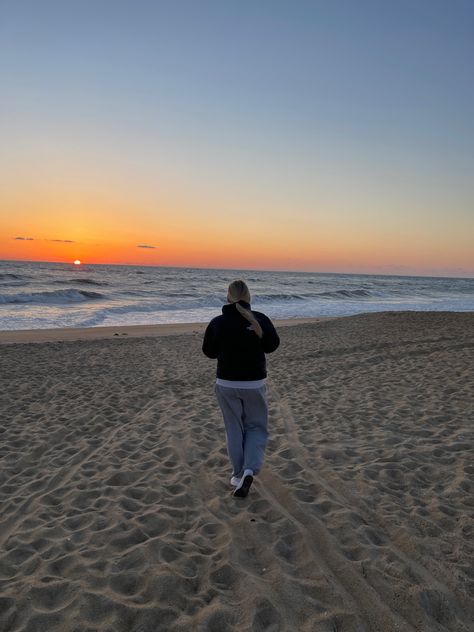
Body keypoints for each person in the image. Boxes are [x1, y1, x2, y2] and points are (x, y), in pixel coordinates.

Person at [202, 280, 280, 497]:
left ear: (228, 297)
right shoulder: (260, 319)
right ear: (248, 297)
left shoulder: (218, 322)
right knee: (256, 427)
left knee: (234, 428)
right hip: (254, 383)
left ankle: (237, 475)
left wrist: (227, 350)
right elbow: (272, 346)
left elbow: (208, 351)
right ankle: (248, 470)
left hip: (226, 383)